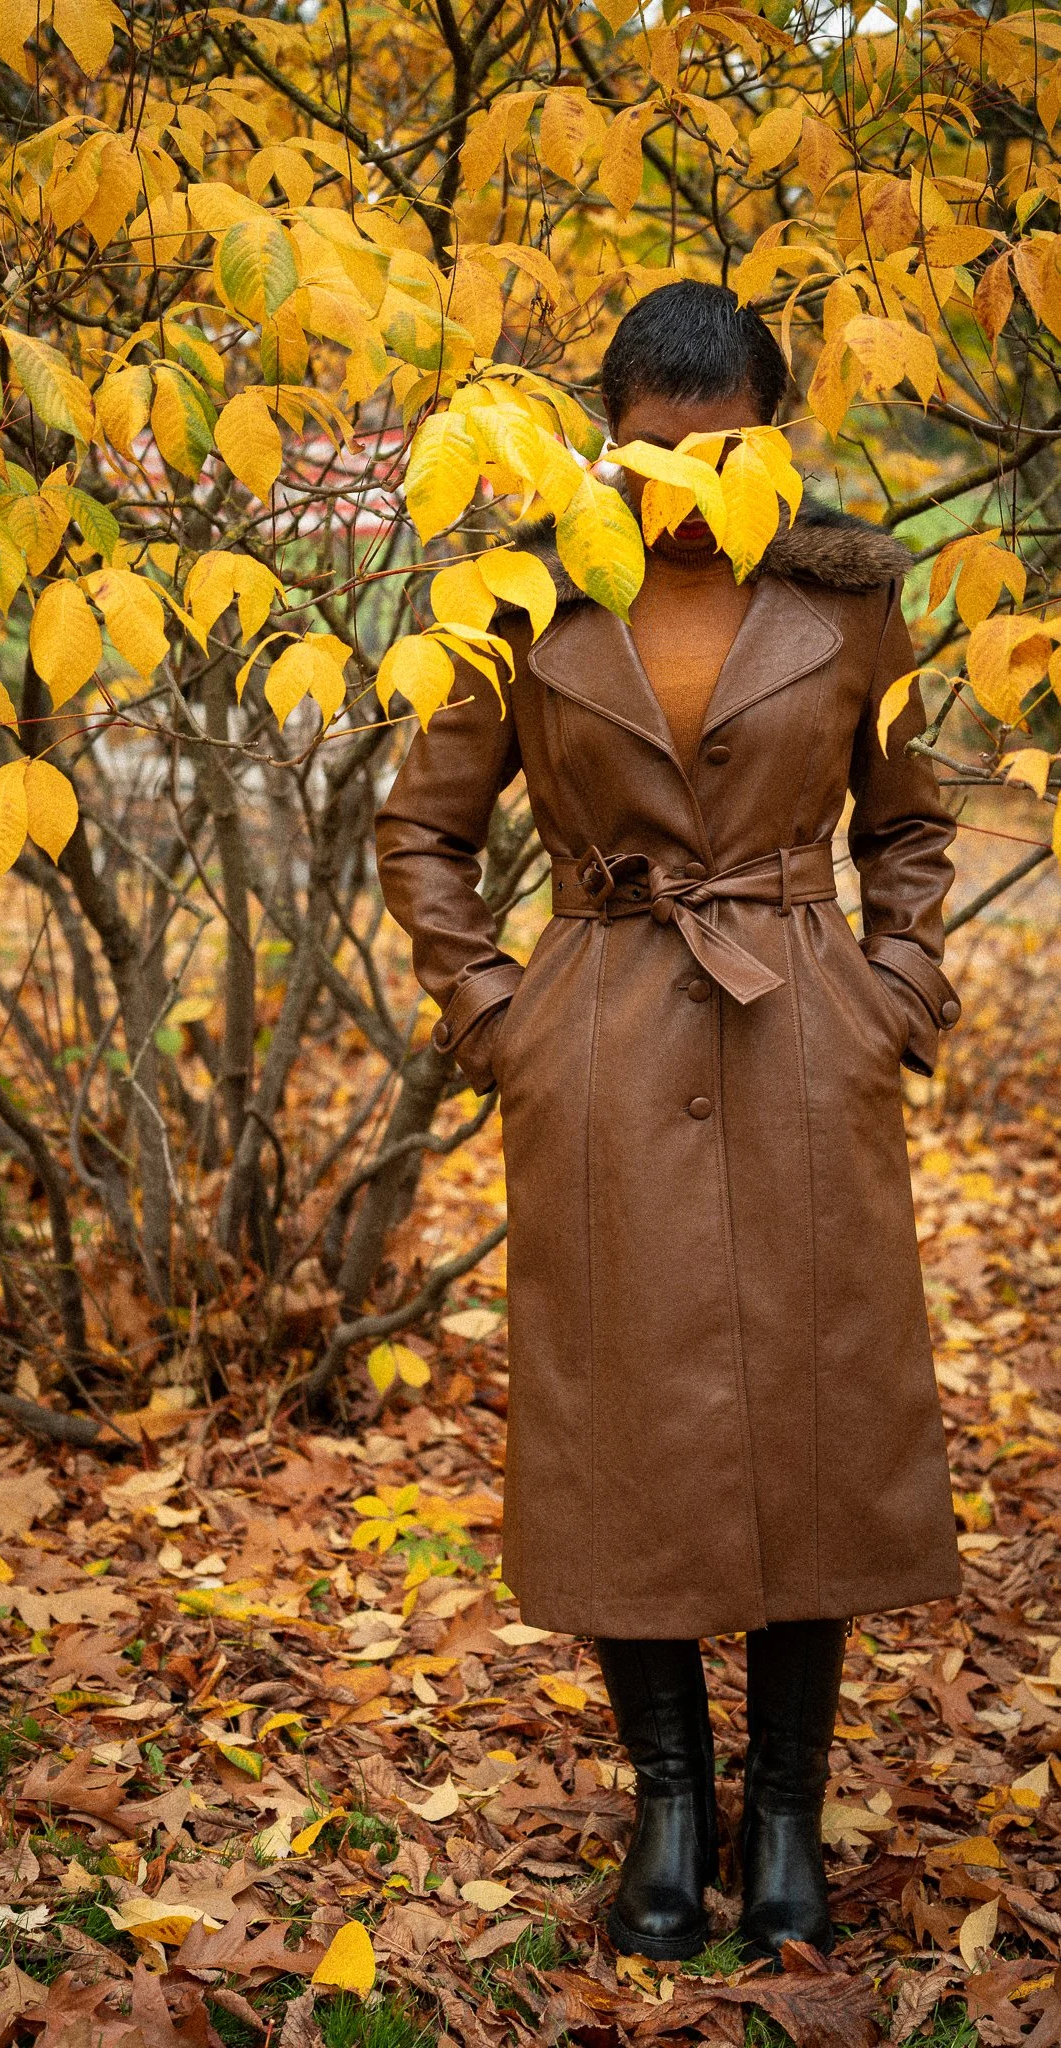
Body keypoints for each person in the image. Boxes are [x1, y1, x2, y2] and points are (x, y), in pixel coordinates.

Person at [374, 280, 962, 1964]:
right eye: (650, 453)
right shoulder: (523, 604)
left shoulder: (848, 608)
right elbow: (423, 832)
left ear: (772, 446)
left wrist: (895, 991)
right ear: (602, 438)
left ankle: (785, 1813)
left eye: (722, 455)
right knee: (619, 1423)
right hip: (601, 1039)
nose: (685, 488)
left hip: (804, 1042)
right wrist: (499, 1017)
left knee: (814, 1420)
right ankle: (668, 1804)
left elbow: (909, 821)